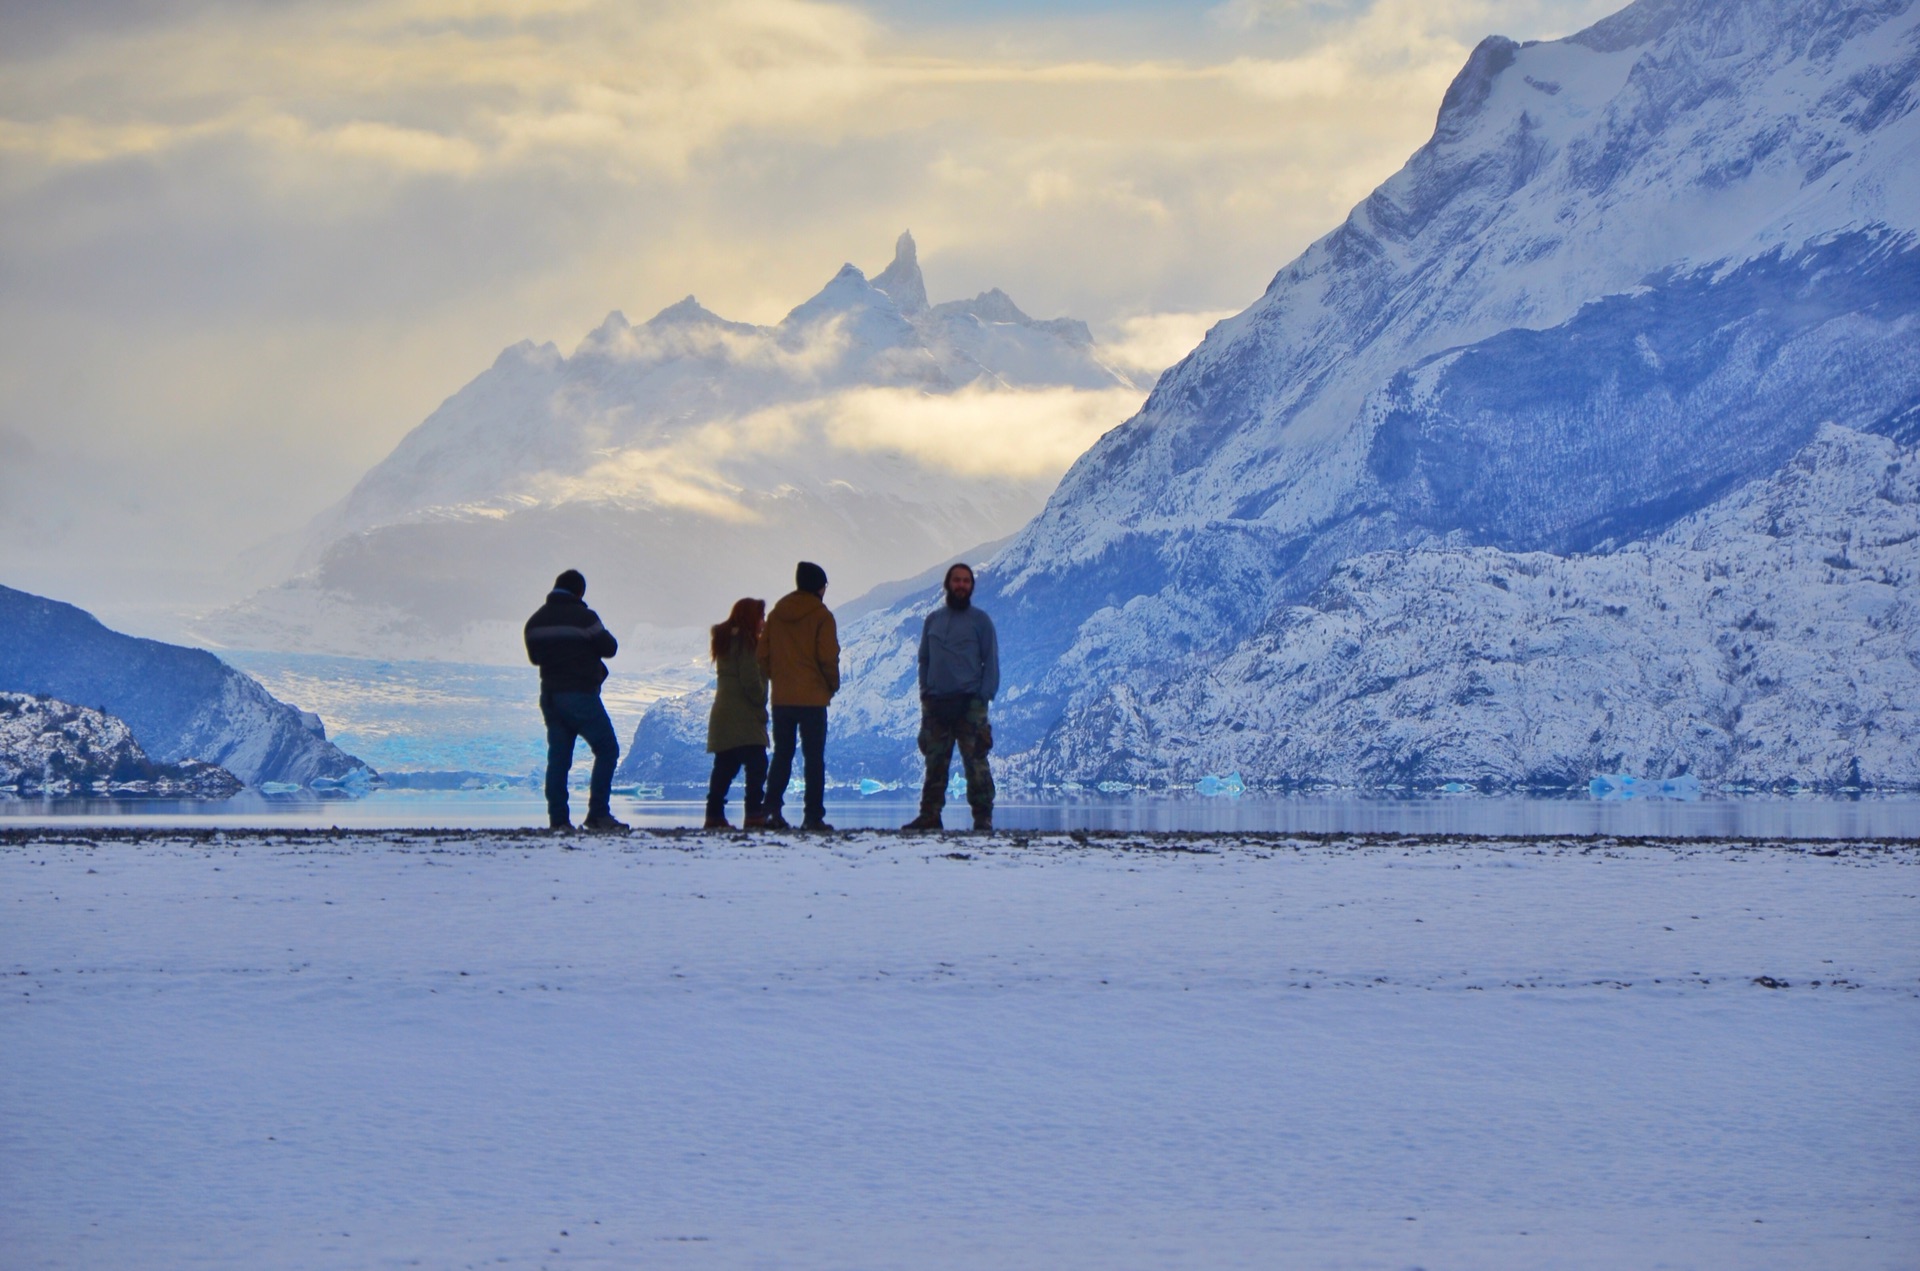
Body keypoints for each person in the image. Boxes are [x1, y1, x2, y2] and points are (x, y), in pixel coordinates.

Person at [523, 569, 627, 832]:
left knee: (558, 758)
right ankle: (598, 814)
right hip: (580, 695)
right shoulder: (585, 618)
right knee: (607, 748)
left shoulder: (535, 622)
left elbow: (535, 657)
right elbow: (610, 648)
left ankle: (558, 820)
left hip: (550, 696)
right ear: (579, 592)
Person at [902, 563, 999, 833]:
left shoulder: (981, 621)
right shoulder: (933, 620)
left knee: (976, 763)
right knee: (935, 763)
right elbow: (924, 659)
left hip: (970, 704)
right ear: (947, 584)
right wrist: (925, 692)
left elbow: (990, 662)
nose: (961, 585)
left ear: (972, 586)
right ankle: (929, 815)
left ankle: (983, 818)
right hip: (936, 703)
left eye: (966, 581)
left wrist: (983, 698)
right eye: (957, 580)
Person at [758, 561, 839, 831]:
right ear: (819, 587)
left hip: (782, 699)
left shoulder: (777, 614)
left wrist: (779, 678)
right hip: (813, 699)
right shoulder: (822, 616)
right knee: (813, 758)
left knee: (782, 754)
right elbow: (828, 656)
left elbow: (763, 655)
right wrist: (831, 685)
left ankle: (770, 810)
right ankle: (812, 816)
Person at [704, 597, 769, 830]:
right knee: (757, 764)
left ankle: (714, 815)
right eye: (761, 617)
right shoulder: (747, 643)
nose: (763, 622)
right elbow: (751, 680)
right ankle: (754, 814)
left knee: (725, 766)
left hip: (723, 714)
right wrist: (762, 698)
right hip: (745, 716)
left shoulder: (725, 641)